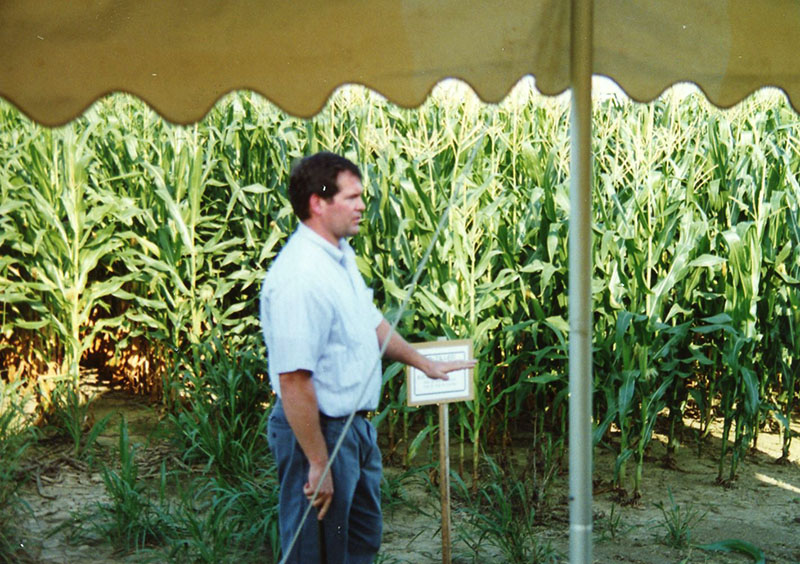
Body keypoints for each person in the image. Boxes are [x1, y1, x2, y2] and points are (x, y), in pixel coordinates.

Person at [260, 152, 475, 564]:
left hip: (354, 431)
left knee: (357, 547)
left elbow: (370, 322)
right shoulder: (301, 276)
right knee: (316, 555)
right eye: (352, 196)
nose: (362, 205)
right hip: (319, 434)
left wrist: (423, 363)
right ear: (317, 203)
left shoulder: (339, 257)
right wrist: (318, 461)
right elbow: (293, 380)